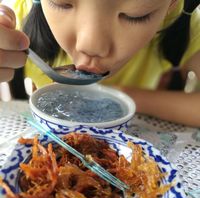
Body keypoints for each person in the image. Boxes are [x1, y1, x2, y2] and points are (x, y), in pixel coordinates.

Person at [0, 0, 200, 126]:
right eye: (62, 3)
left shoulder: (188, 26)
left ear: (172, 4)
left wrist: (122, 96)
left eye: (134, 15)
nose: (91, 45)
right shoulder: (19, 22)